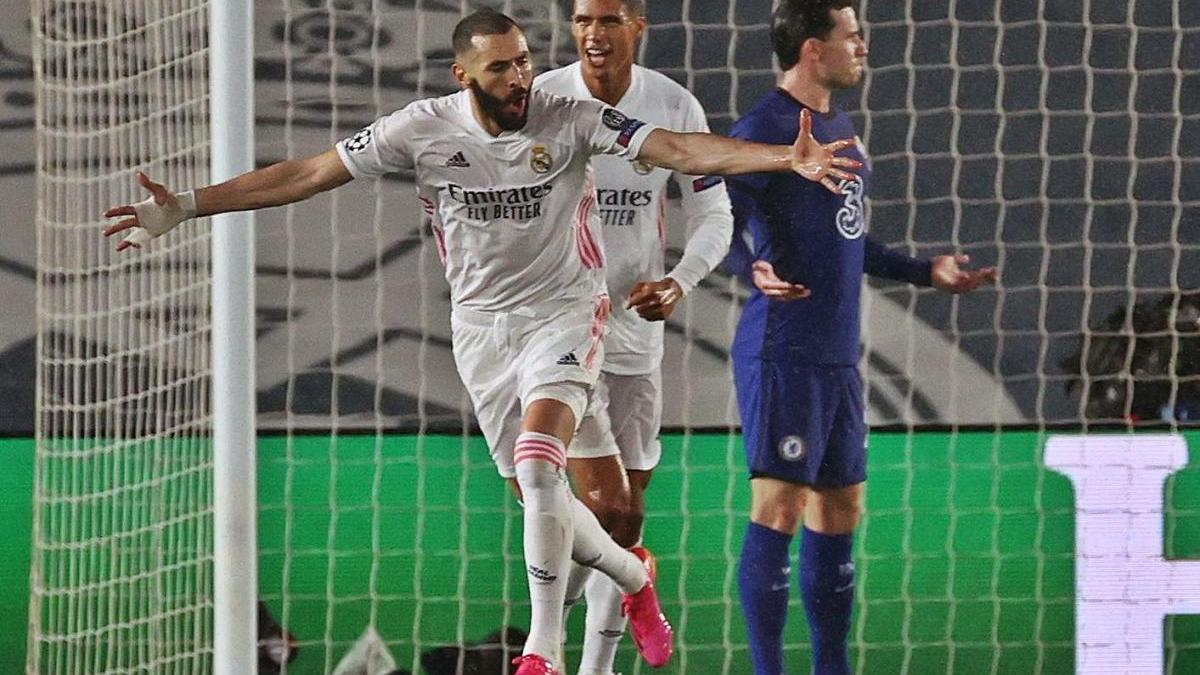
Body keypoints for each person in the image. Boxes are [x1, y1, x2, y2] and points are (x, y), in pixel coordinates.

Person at [103, 9, 859, 675]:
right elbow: (306, 171)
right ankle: (633, 577)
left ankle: (544, 649)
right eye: (502, 66)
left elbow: (681, 149)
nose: (521, 75)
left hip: (567, 313)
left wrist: (778, 156)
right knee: (561, 509)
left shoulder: (568, 117)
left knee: (540, 468)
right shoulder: (421, 129)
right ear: (463, 73)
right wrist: (190, 206)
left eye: (526, 59)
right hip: (483, 331)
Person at [722, 2, 998, 674]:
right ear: (814, 49)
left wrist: (923, 272)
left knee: (841, 505)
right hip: (782, 347)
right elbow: (714, 223)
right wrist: (747, 264)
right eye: (852, 35)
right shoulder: (764, 128)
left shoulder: (841, 129)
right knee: (779, 503)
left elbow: (848, 235)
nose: (862, 45)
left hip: (837, 356)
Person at [534, 1, 736, 672]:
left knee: (624, 516)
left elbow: (714, 212)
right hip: (554, 329)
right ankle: (547, 646)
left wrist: (678, 281)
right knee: (559, 501)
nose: (595, 32)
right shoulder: (541, 100)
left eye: (611, 18)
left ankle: (593, 665)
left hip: (631, 334)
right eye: (584, 18)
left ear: (638, 26)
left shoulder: (673, 106)